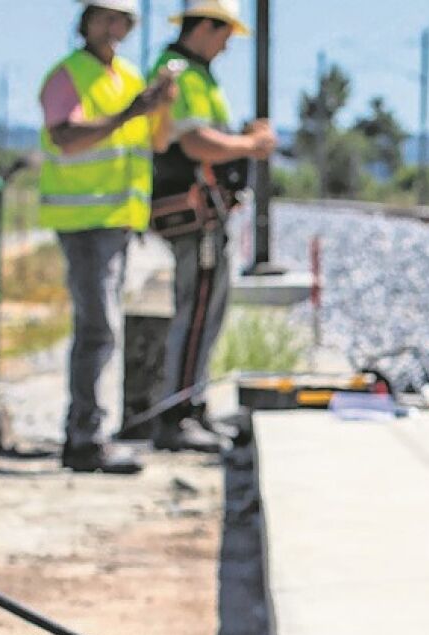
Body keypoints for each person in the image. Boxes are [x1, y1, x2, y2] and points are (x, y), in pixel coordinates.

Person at [38, 0, 177, 474]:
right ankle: (84, 439)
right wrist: (129, 112)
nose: (114, 28)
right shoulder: (68, 75)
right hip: (84, 222)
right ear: (87, 22)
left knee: (102, 329)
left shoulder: (128, 77)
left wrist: (158, 108)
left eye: (122, 20)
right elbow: (66, 138)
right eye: (106, 18)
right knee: (98, 330)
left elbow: (152, 142)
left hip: (117, 220)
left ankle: (88, 434)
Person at [147, 0, 276, 453]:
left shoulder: (196, 73)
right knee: (197, 311)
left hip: (207, 213)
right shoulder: (178, 71)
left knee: (207, 312)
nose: (226, 47)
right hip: (193, 213)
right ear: (206, 26)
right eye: (224, 35)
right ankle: (176, 416)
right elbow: (194, 140)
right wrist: (250, 144)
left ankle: (192, 406)